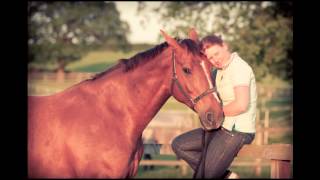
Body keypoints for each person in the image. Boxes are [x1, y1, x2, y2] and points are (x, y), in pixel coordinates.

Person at [171, 34, 257, 178]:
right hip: (219, 127)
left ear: (225, 46)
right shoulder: (217, 72)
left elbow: (241, 105)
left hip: (237, 130)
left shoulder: (239, 67)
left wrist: (217, 113)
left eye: (216, 53)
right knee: (179, 145)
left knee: (205, 175)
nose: (215, 59)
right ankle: (226, 176)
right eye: (210, 58)